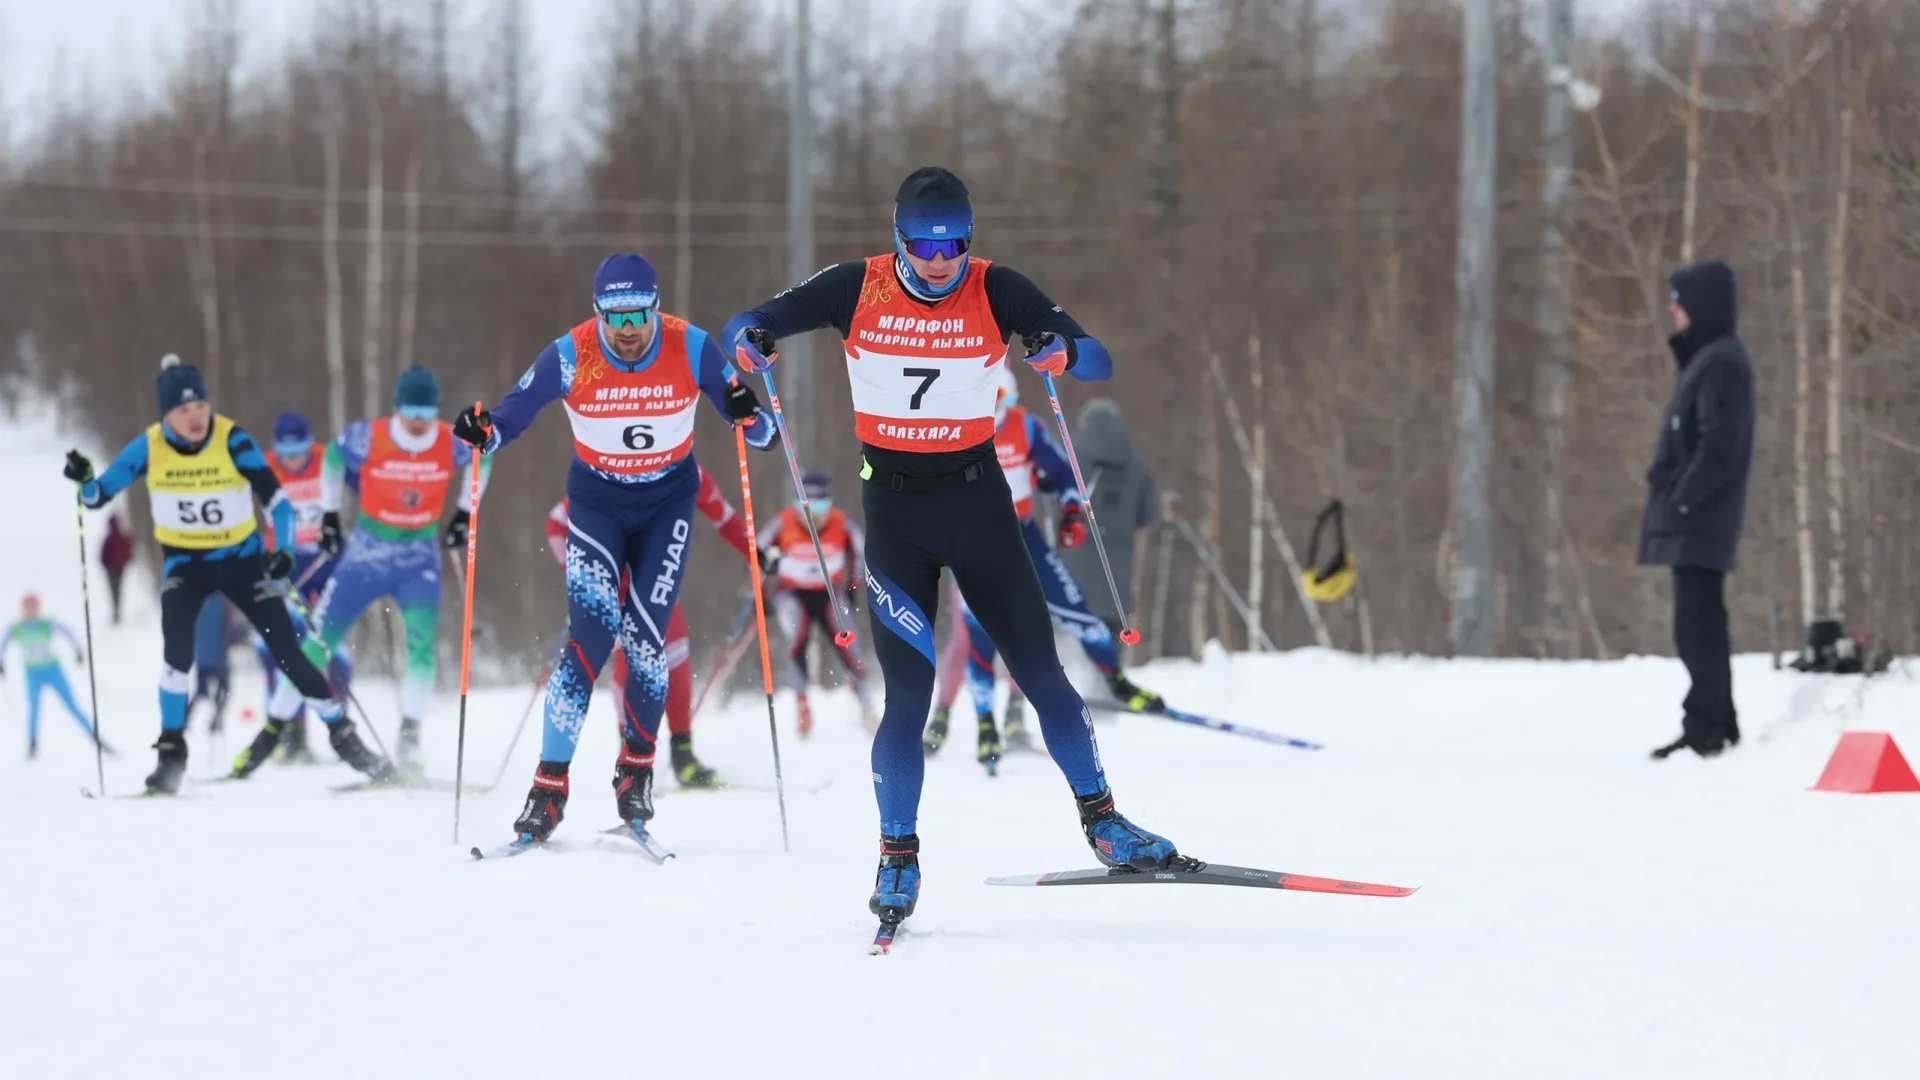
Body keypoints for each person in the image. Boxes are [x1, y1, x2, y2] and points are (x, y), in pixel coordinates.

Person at [722, 165, 1181, 931]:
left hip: (980, 509)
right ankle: (897, 856)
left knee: (1044, 675)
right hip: (895, 518)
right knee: (909, 696)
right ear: (897, 239)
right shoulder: (854, 285)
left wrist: (1062, 355)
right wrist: (752, 342)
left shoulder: (997, 287)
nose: (941, 261)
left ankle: (1104, 823)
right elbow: (753, 320)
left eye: (956, 243)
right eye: (925, 245)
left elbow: (1096, 355)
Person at [453, 253, 775, 842]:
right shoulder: (571, 353)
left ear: (655, 308)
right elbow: (508, 418)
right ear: (597, 312)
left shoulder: (693, 346)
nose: (627, 330)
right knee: (591, 635)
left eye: (638, 316)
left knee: (647, 635)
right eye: (614, 317)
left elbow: (764, 434)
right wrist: (483, 432)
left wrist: (747, 415)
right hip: (596, 505)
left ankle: (636, 772)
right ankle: (548, 788)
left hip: (667, 504)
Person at [64, 355, 393, 794]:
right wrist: (84, 479)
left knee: (290, 653)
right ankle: (171, 754)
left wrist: (283, 552)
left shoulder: (232, 439)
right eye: (183, 410)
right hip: (186, 564)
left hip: (242, 561)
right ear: (166, 414)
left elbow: (276, 501)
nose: (196, 416)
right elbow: (97, 495)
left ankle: (345, 737)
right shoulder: (148, 446)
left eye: (200, 405)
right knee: (177, 655)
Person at [923, 370, 1166, 768]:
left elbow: (1063, 472)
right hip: (973, 540)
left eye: (999, 394)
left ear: (1010, 395)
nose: (992, 403)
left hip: (1023, 535)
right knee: (977, 633)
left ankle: (1117, 682)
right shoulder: (955, 430)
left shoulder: (1025, 427)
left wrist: (1071, 508)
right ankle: (985, 725)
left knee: (1069, 613)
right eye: (984, 394)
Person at [305, 365, 487, 779]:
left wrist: (464, 510)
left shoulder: (449, 436)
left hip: (418, 560)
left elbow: (483, 456)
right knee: (316, 645)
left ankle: (410, 736)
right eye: (411, 410)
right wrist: (330, 516)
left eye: (426, 410)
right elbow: (333, 456)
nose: (420, 420)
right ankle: (280, 728)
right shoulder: (370, 435)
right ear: (397, 409)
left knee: (421, 648)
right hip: (365, 556)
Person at [545, 459, 755, 788]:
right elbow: (557, 524)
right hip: (610, 586)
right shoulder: (614, 465)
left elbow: (724, 516)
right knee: (627, 662)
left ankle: (683, 752)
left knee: (676, 657)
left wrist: (754, 553)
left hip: (656, 582)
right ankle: (627, 755)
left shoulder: (691, 473)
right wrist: (577, 574)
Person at [1640, 259, 1755, 761]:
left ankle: (1711, 726)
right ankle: (1709, 720)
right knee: (1694, 624)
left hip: (1701, 517)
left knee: (1700, 625)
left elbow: (1719, 444)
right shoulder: (1705, 359)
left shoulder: (1721, 362)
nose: (1674, 311)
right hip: (1693, 517)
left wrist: (1684, 495)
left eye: (1679, 301)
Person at [757, 469, 876, 736]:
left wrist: (854, 585)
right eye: (805, 504)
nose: (813, 512)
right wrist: (759, 593)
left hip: (830, 593)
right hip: (792, 593)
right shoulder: (783, 523)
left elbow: (861, 553)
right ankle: (802, 705)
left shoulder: (841, 524)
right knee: (798, 640)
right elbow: (756, 554)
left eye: (820, 504)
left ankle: (867, 707)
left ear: (830, 502)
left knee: (849, 644)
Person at [262, 410, 350, 762]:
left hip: (326, 560)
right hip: (286, 565)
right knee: (284, 653)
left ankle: (341, 731)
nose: (293, 459)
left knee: (332, 651)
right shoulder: (265, 465)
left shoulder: (327, 457)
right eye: (285, 452)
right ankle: (292, 734)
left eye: (299, 450)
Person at [1057, 397, 1159, 660]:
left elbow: (1049, 501)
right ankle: (1111, 688)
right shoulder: (1136, 463)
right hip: (1118, 563)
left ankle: (1078, 691)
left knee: (1075, 629)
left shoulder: (1069, 456)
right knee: (1113, 630)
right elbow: (1147, 513)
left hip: (1074, 560)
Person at [0, 594, 106, 758]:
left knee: (72, 705)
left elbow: (67, 632)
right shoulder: (17, 627)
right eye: (28, 608)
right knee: (33, 708)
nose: (31, 611)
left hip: (53, 670)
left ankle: (95, 737)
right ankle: (32, 744)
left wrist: (77, 650)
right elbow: (3, 642)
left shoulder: (46, 624)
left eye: (33, 607)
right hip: (32, 673)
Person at [100, 514, 134, 625]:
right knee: (118, 590)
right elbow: (128, 552)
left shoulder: (108, 539)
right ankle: (117, 612)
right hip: (120, 568)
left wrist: (106, 566)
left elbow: (102, 557)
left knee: (113, 591)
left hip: (111, 570)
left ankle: (116, 612)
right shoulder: (121, 537)